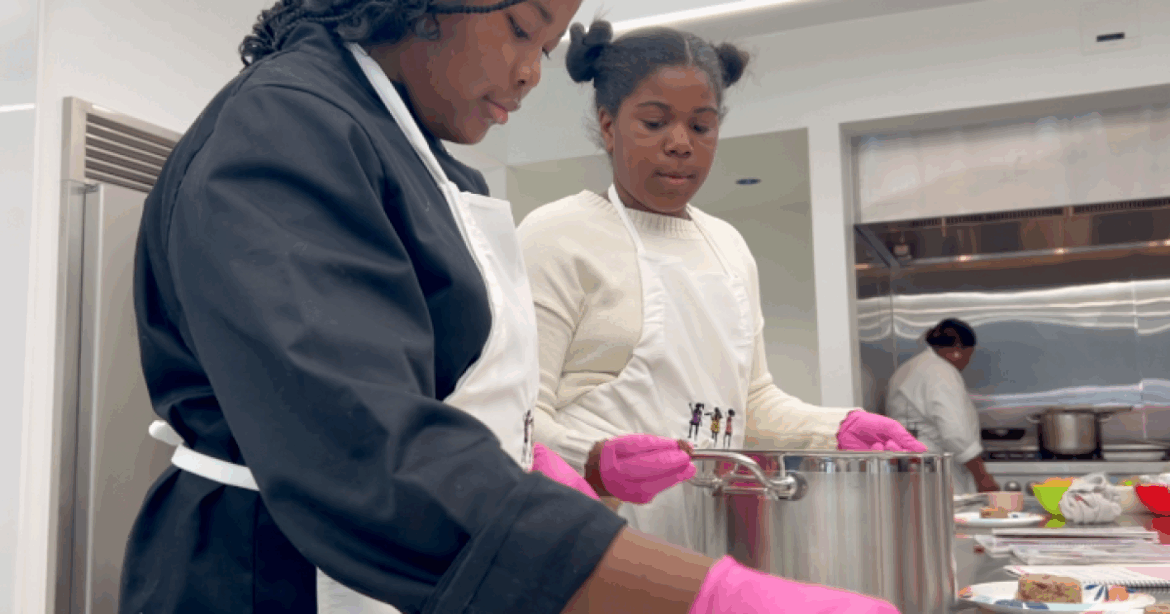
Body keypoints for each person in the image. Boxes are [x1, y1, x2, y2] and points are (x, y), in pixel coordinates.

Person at [120, 1, 900, 613]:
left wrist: (544, 463)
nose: (530, 74)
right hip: (285, 573)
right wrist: (715, 598)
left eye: (547, 47)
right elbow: (365, 448)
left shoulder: (430, 165)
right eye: (520, 29)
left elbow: (465, 401)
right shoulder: (285, 129)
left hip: (459, 546)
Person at [517, 20, 928, 550]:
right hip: (586, 538)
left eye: (701, 127)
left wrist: (837, 428)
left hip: (704, 536)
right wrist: (593, 462)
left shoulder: (727, 245)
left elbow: (749, 403)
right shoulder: (557, 235)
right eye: (654, 122)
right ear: (608, 125)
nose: (680, 145)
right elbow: (519, 418)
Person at [887, 318, 1000, 495]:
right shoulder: (941, 372)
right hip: (935, 471)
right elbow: (956, 433)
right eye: (969, 356)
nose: (966, 363)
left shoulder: (909, 368)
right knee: (945, 518)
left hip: (909, 466)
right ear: (957, 351)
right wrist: (982, 477)